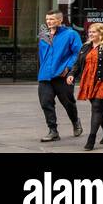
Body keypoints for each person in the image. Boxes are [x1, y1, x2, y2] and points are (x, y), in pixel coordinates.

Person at [65, 22, 103, 151]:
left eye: (94, 32)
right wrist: (72, 74)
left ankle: (91, 139)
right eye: (90, 32)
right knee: (99, 108)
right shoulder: (85, 47)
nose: (90, 34)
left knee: (97, 107)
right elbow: (78, 64)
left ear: (102, 32)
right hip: (88, 81)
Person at [37, 9, 83, 143]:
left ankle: (75, 121)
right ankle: (53, 131)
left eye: (51, 19)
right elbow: (41, 55)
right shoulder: (43, 36)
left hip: (62, 75)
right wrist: (43, 69)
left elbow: (78, 53)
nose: (48, 22)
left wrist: (68, 67)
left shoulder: (71, 34)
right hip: (45, 76)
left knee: (68, 103)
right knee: (46, 103)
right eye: (47, 19)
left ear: (60, 20)